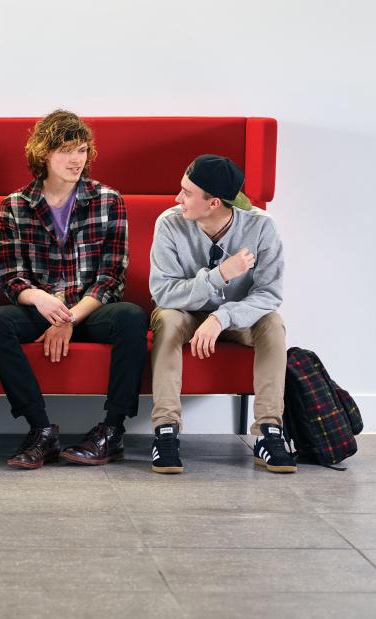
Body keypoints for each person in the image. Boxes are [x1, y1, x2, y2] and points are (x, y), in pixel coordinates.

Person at [0, 109, 148, 470]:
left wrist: (68, 317)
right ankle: (41, 431)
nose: (76, 160)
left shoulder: (108, 200)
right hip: (39, 308)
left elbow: (111, 276)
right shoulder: (15, 206)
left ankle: (112, 431)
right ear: (43, 154)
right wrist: (43, 302)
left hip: (90, 309)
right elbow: (13, 277)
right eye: (66, 150)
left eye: (82, 150)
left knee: (132, 317)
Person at [148, 154, 295, 474]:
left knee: (273, 324)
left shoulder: (261, 227)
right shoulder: (169, 223)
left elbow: (269, 295)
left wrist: (221, 318)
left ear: (214, 203)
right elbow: (163, 294)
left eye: (187, 193)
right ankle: (165, 431)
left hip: (237, 318)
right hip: (185, 313)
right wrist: (219, 276)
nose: (178, 199)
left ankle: (269, 433)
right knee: (169, 320)